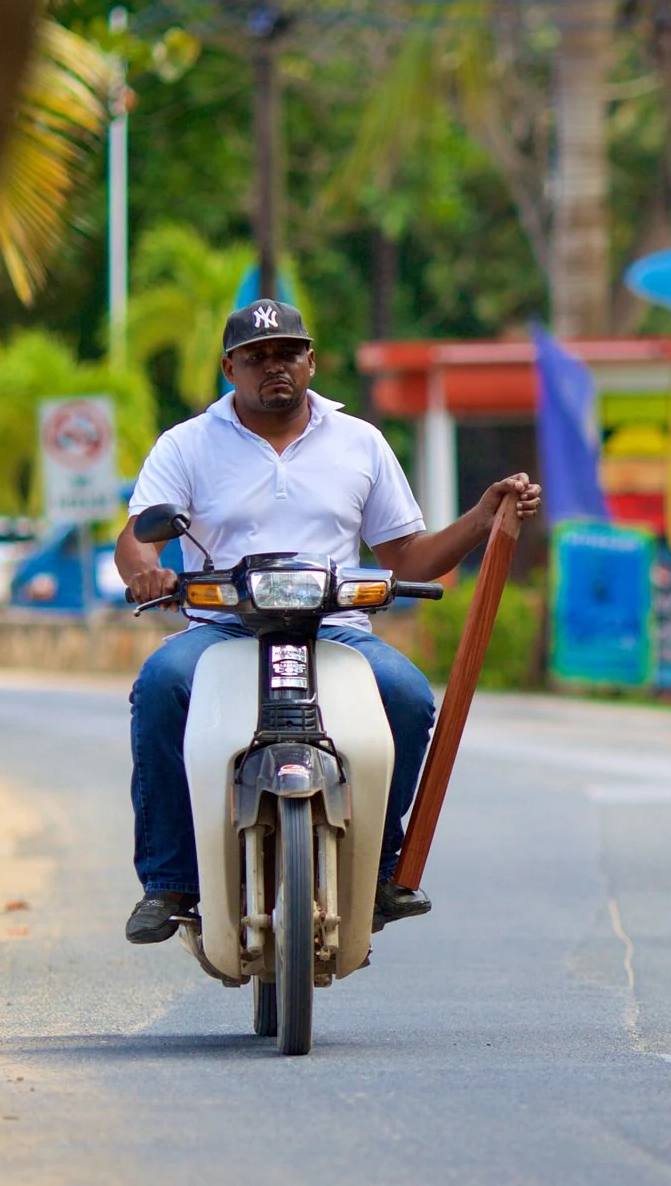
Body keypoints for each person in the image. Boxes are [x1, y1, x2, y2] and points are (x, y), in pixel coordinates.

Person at [115, 300, 543, 945]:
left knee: (405, 695)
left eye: (288, 353)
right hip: (223, 627)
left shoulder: (360, 442)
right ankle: (169, 880)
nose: (274, 366)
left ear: (311, 361)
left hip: (335, 628)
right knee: (159, 684)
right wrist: (146, 571)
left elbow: (407, 556)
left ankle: (380, 866)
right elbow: (137, 537)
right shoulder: (186, 444)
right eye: (257, 357)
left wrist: (481, 517)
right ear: (230, 368)